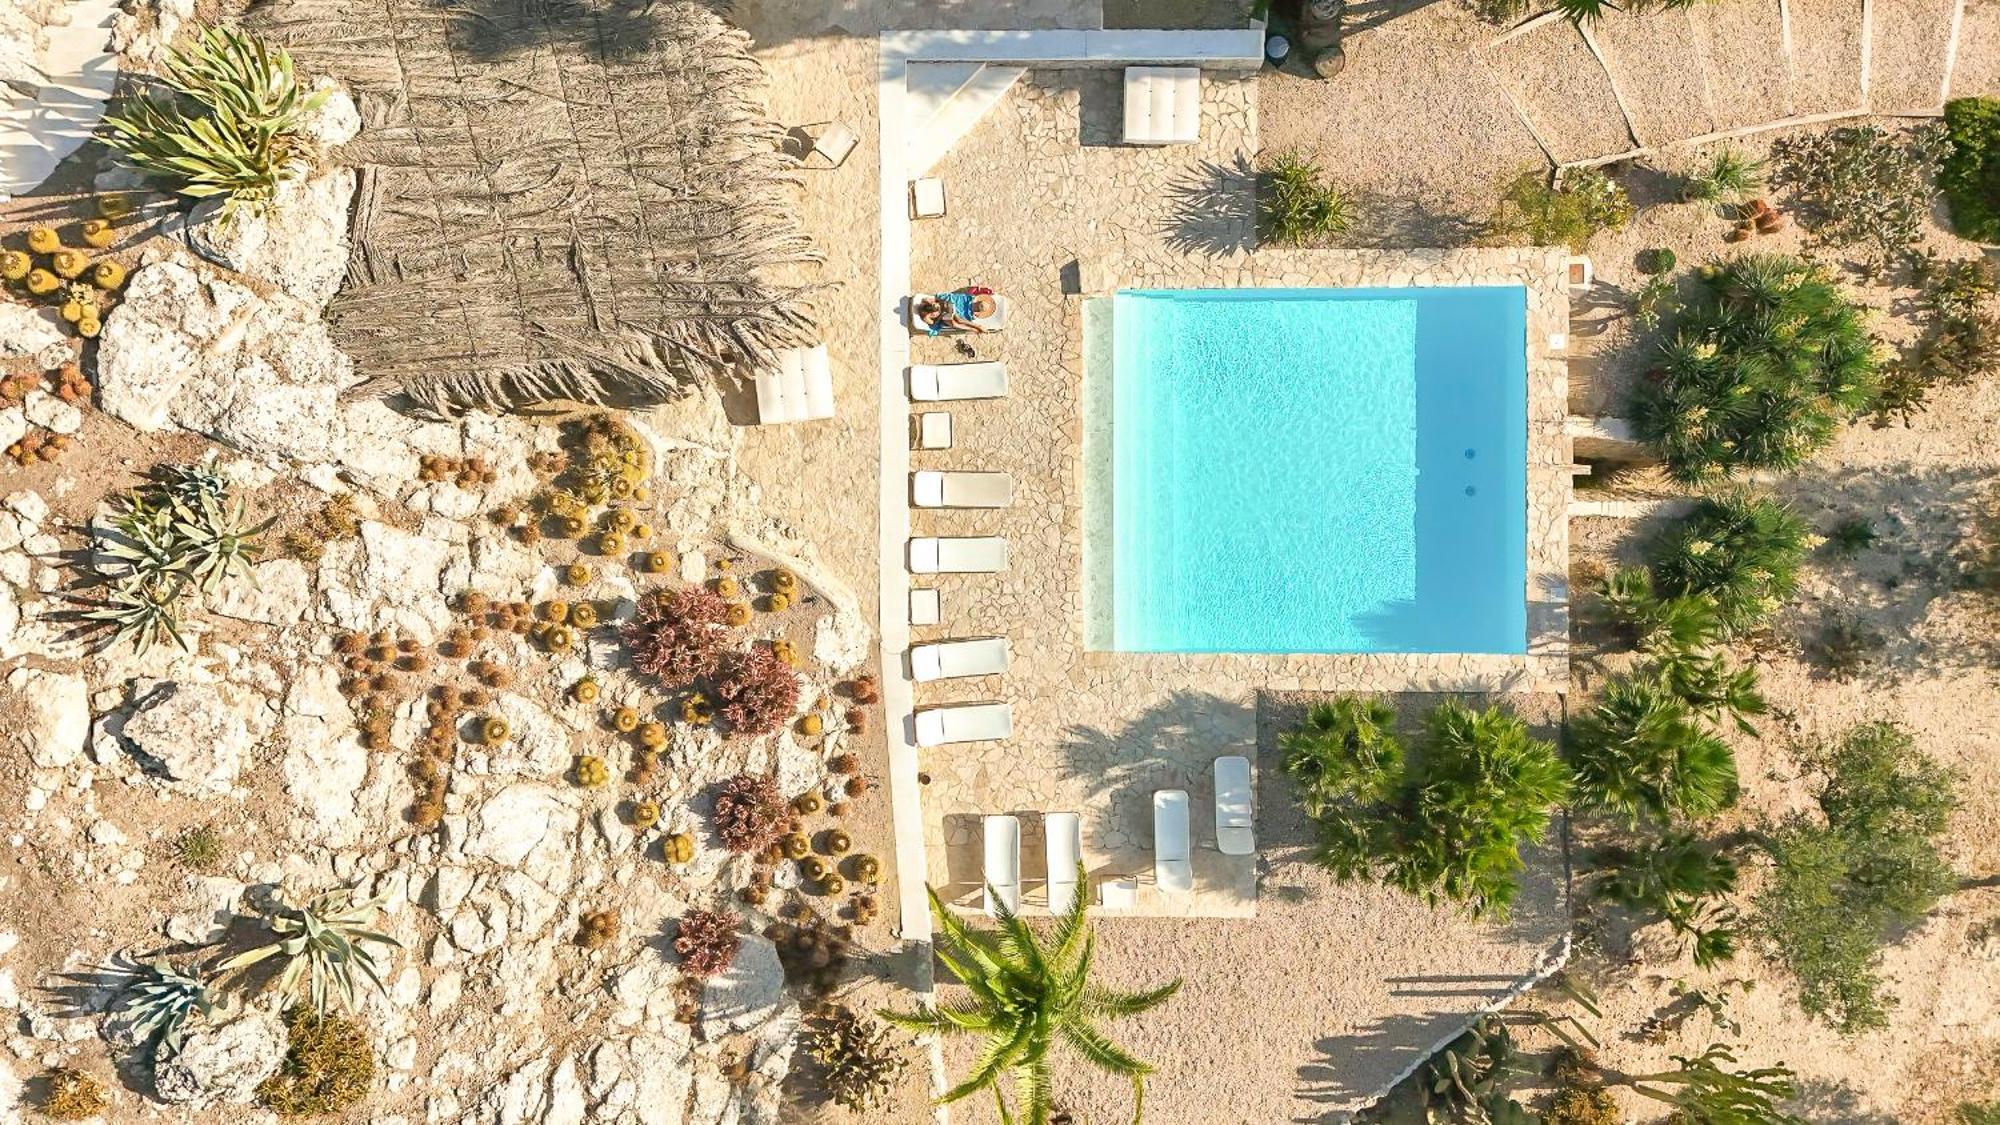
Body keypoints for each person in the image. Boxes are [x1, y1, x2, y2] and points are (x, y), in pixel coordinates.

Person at [915, 287, 996, 335]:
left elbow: (929, 299)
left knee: (956, 319)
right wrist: (940, 316)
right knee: (955, 322)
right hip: (943, 315)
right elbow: (933, 323)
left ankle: (977, 327)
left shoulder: (928, 303)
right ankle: (976, 328)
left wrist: (939, 303)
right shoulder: (926, 316)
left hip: (946, 306)